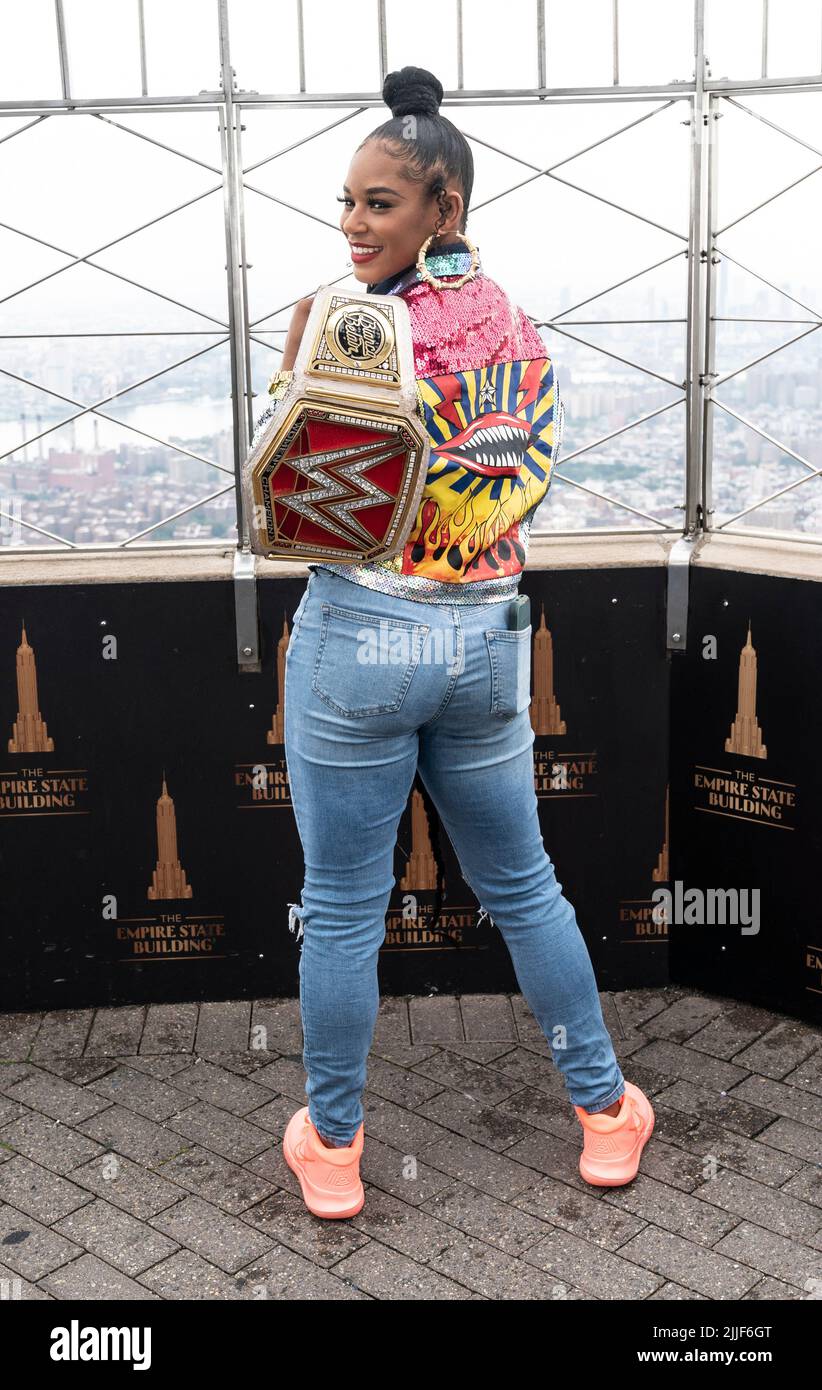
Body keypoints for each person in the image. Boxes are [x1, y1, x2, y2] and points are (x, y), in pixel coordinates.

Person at [254, 66, 654, 1220]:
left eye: (379, 203)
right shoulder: (517, 324)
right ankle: (604, 1111)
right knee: (526, 889)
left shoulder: (349, 325)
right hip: (487, 637)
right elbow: (518, 482)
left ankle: (332, 1145)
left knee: (340, 907)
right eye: (346, 201)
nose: (352, 224)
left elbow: (291, 508)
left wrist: (293, 369)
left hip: (365, 637)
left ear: (445, 206)